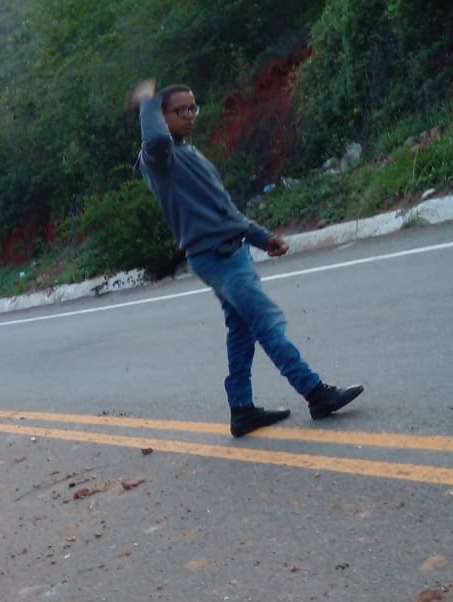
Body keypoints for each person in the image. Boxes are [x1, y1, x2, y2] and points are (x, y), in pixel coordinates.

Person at [131, 80, 363, 438]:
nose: (190, 116)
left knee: (241, 332)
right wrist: (146, 102)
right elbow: (156, 140)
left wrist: (261, 236)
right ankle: (316, 393)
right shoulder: (159, 159)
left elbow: (224, 209)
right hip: (217, 255)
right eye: (180, 110)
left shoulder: (189, 154)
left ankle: (241, 409)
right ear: (161, 117)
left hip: (229, 250)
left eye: (194, 108)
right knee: (266, 323)